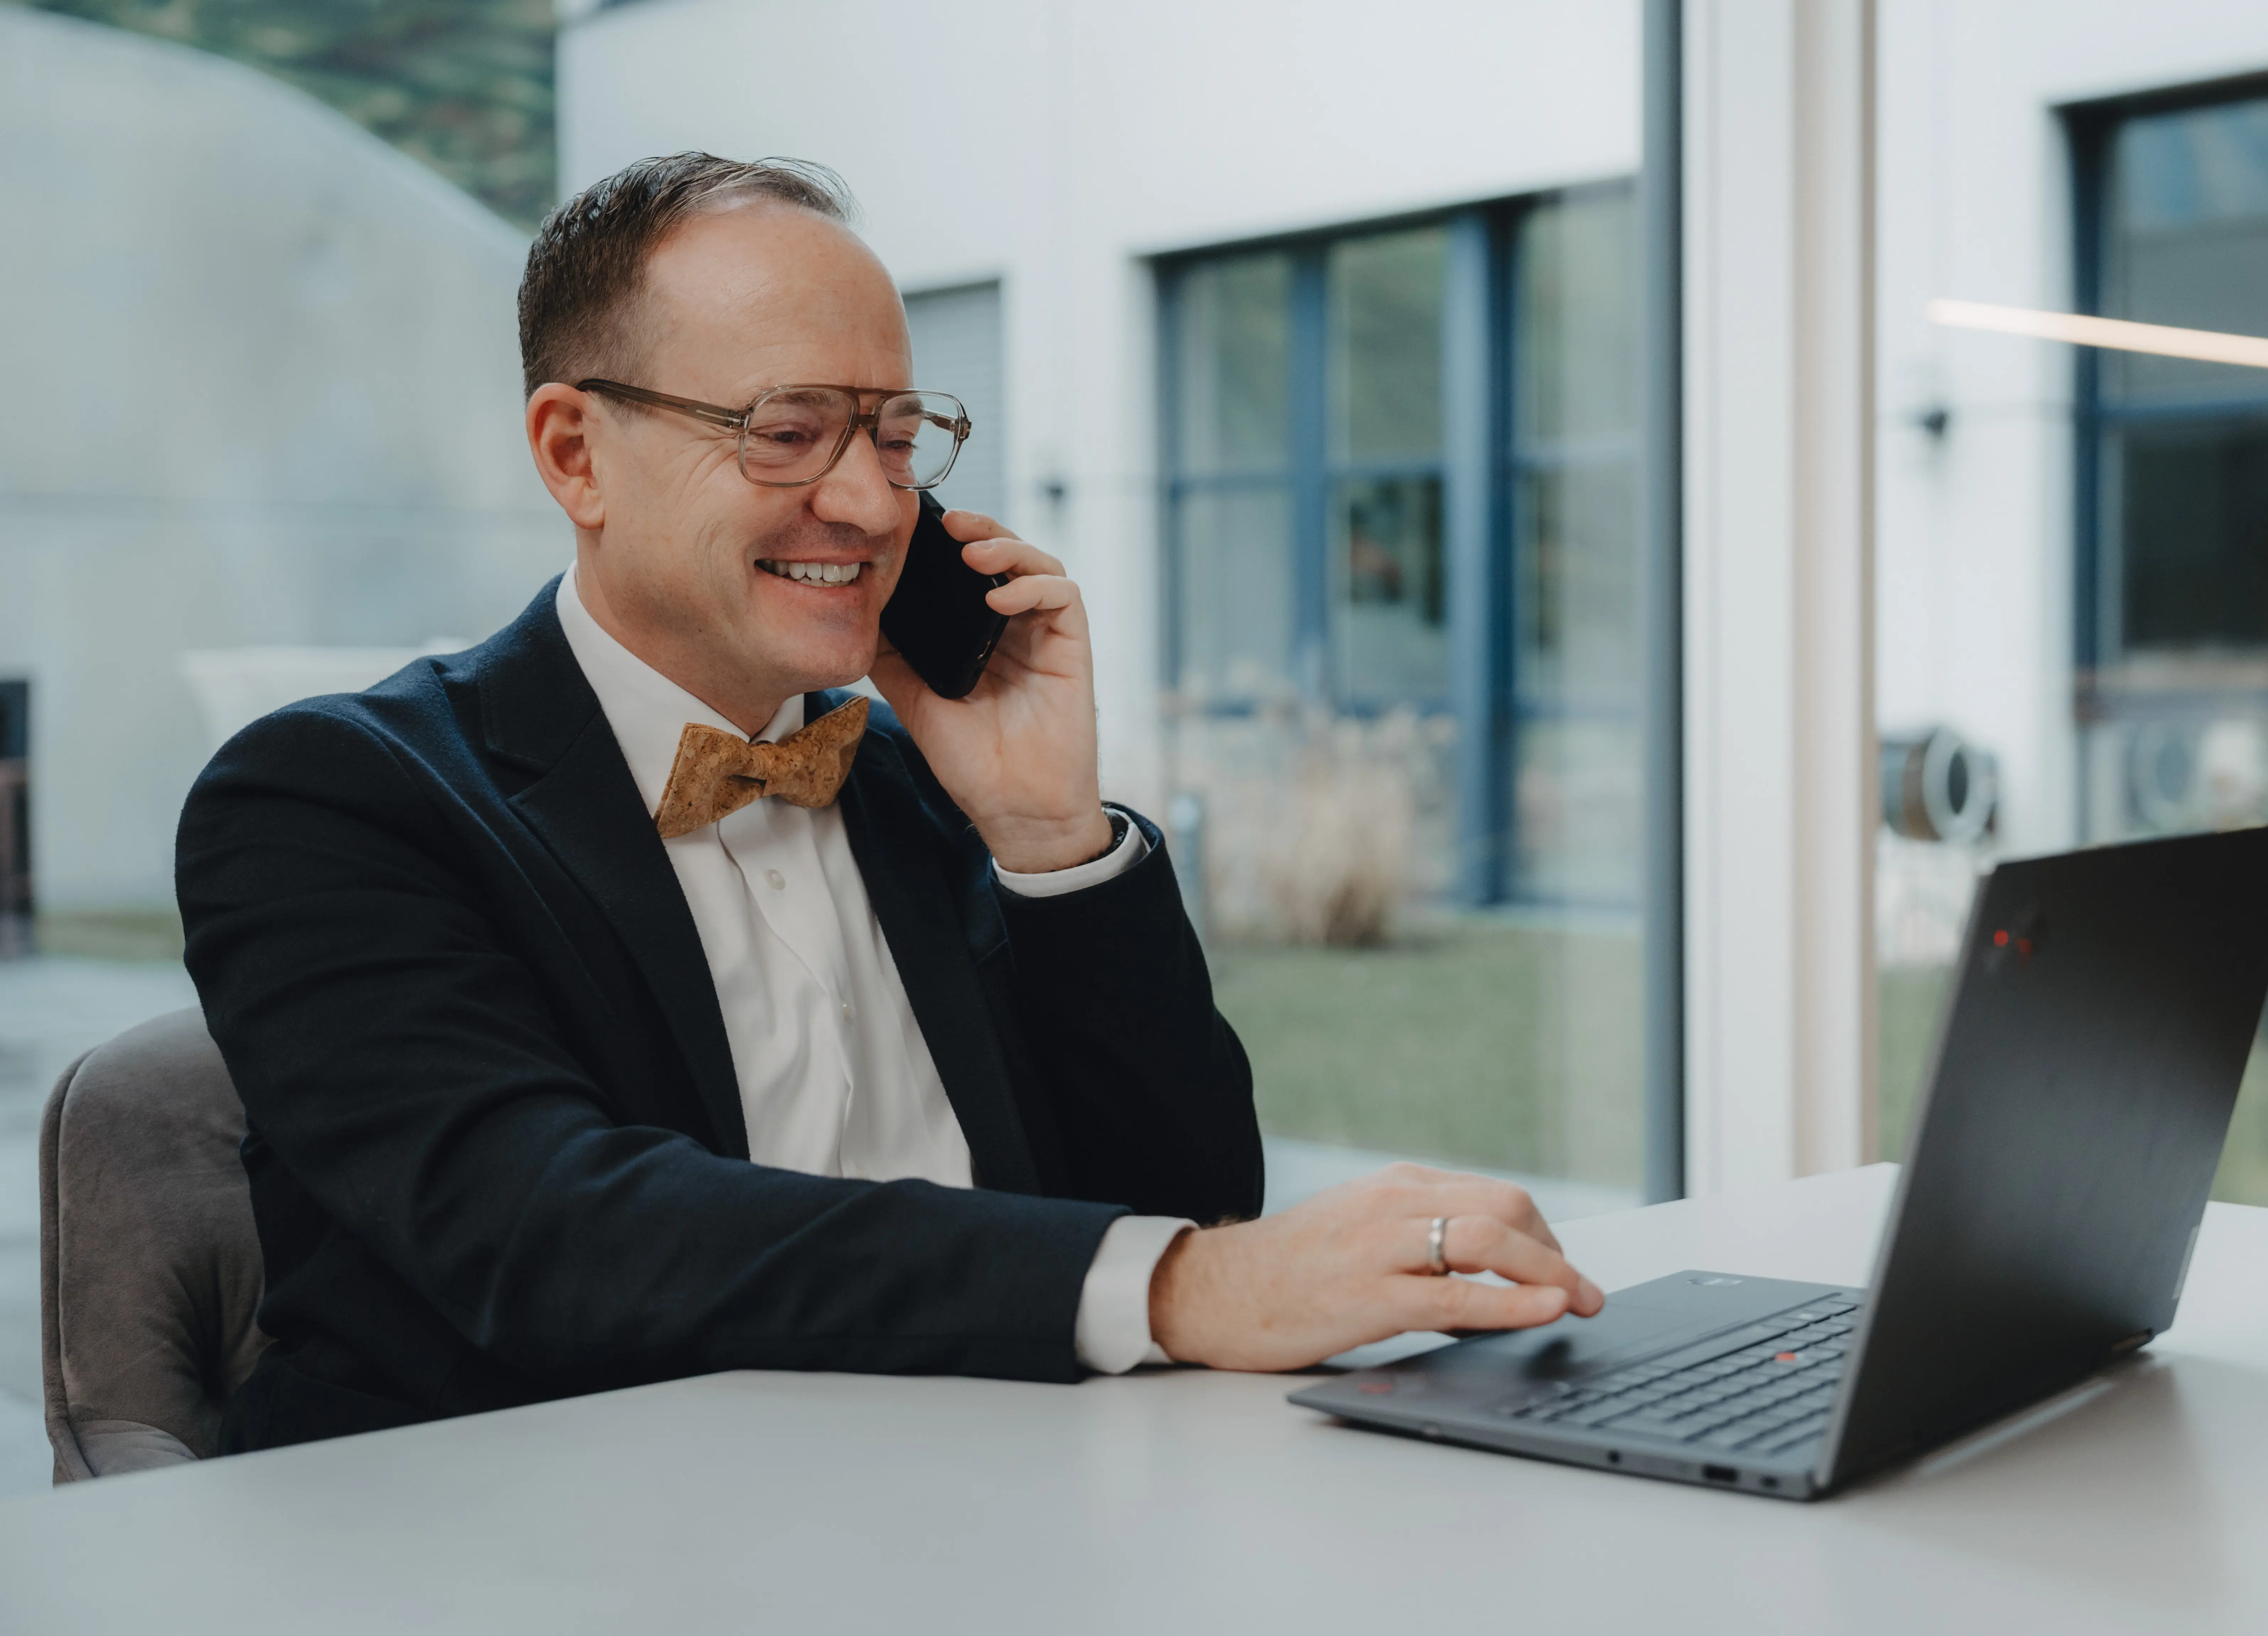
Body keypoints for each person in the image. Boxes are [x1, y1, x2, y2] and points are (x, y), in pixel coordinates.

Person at [179, 153, 1604, 1451]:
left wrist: (1051, 840)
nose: (866, 504)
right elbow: (546, 1231)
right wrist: (1177, 1284)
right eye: (787, 432)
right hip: (528, 1535)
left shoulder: (929, 781)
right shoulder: (331, 799)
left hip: (999, 1495)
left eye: (897, 433)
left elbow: (1189, 1195)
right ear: (574, 453)